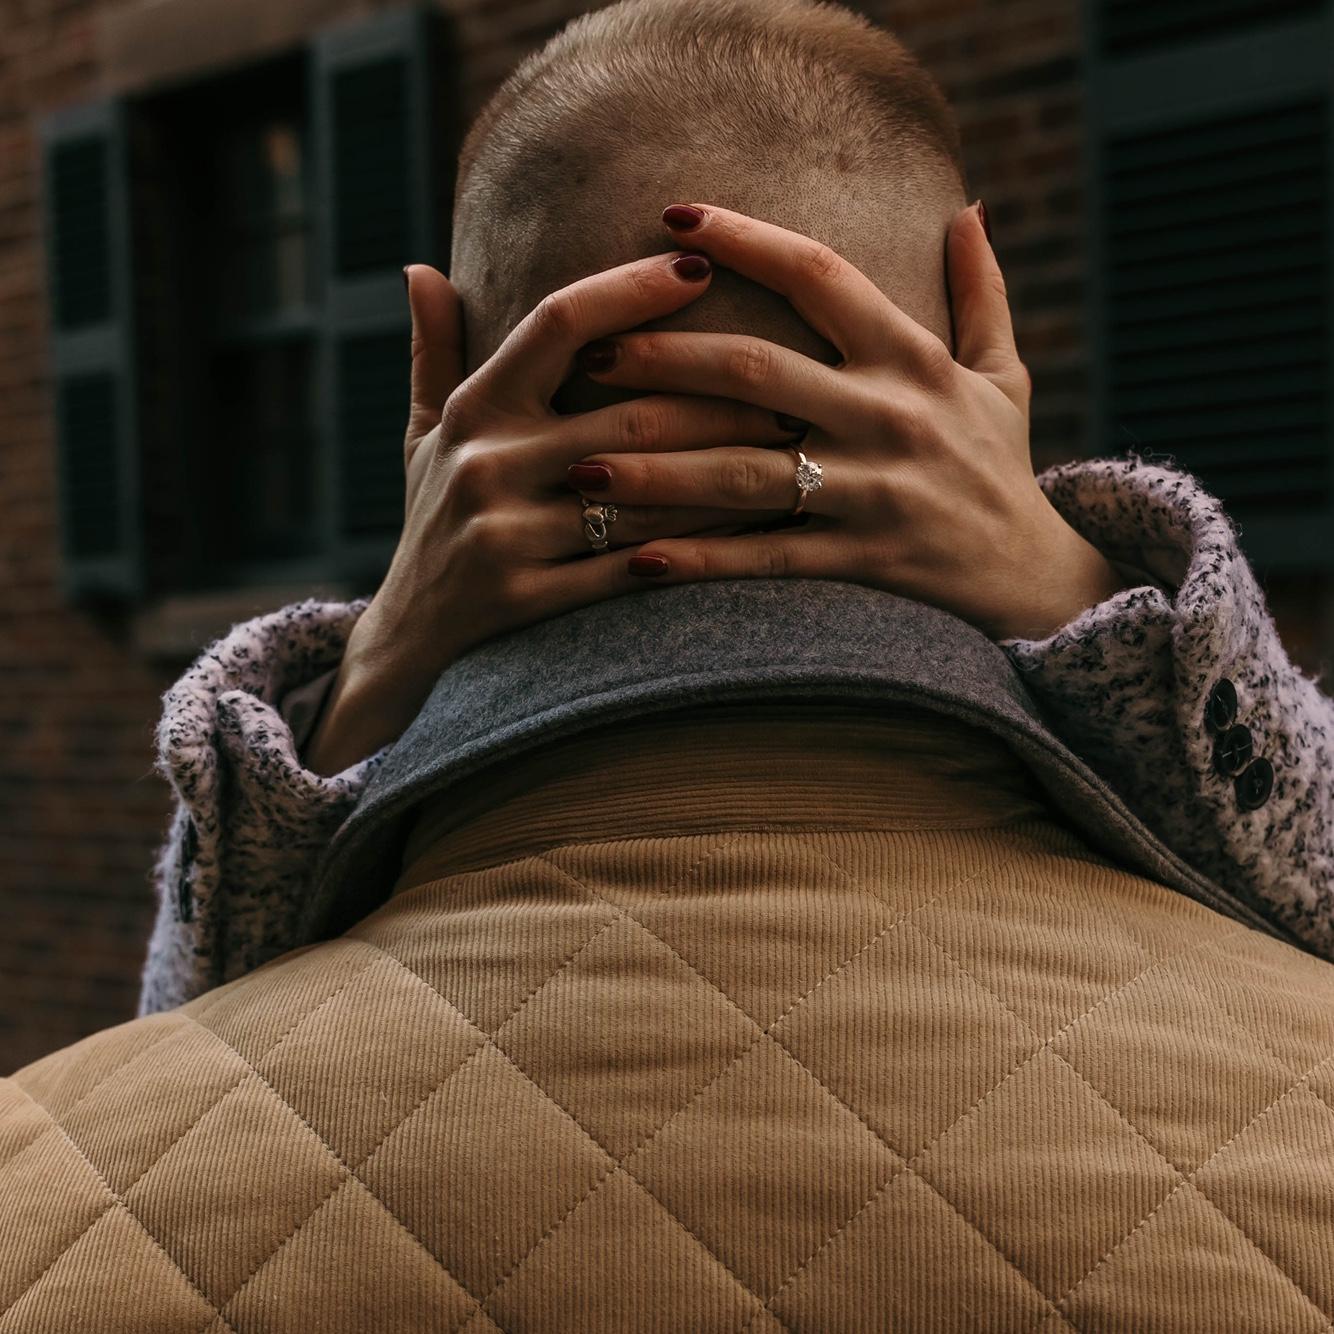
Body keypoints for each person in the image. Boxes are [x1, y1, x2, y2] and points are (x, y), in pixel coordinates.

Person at [3, 1, 1332, 1329]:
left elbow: (183, 1027)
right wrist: (1096, 604)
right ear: (975, 348)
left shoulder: (37, 1182)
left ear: (442, 368)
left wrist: (363, 684)